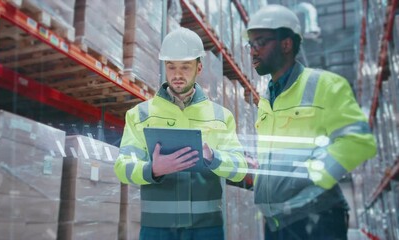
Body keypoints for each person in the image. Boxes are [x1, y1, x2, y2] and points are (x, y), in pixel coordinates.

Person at [245, 4, 377, 240]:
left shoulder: (324, 84)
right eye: (251, 45)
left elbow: (358, 140)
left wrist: (308, 173)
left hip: (316, 218)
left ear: (286, 44)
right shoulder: (266, 101)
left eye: (261, 42)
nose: (253, 51)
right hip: (276, 221)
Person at [114, 27, 247, 240]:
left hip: (206, 229)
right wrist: (153, 169)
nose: (177, 74)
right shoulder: (140, 114)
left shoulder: (221, 117)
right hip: (157, 229)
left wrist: (214, 158)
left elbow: (240, 169)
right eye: (171, 66)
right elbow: (122, 167)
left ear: (199, 68)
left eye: (185, 67)